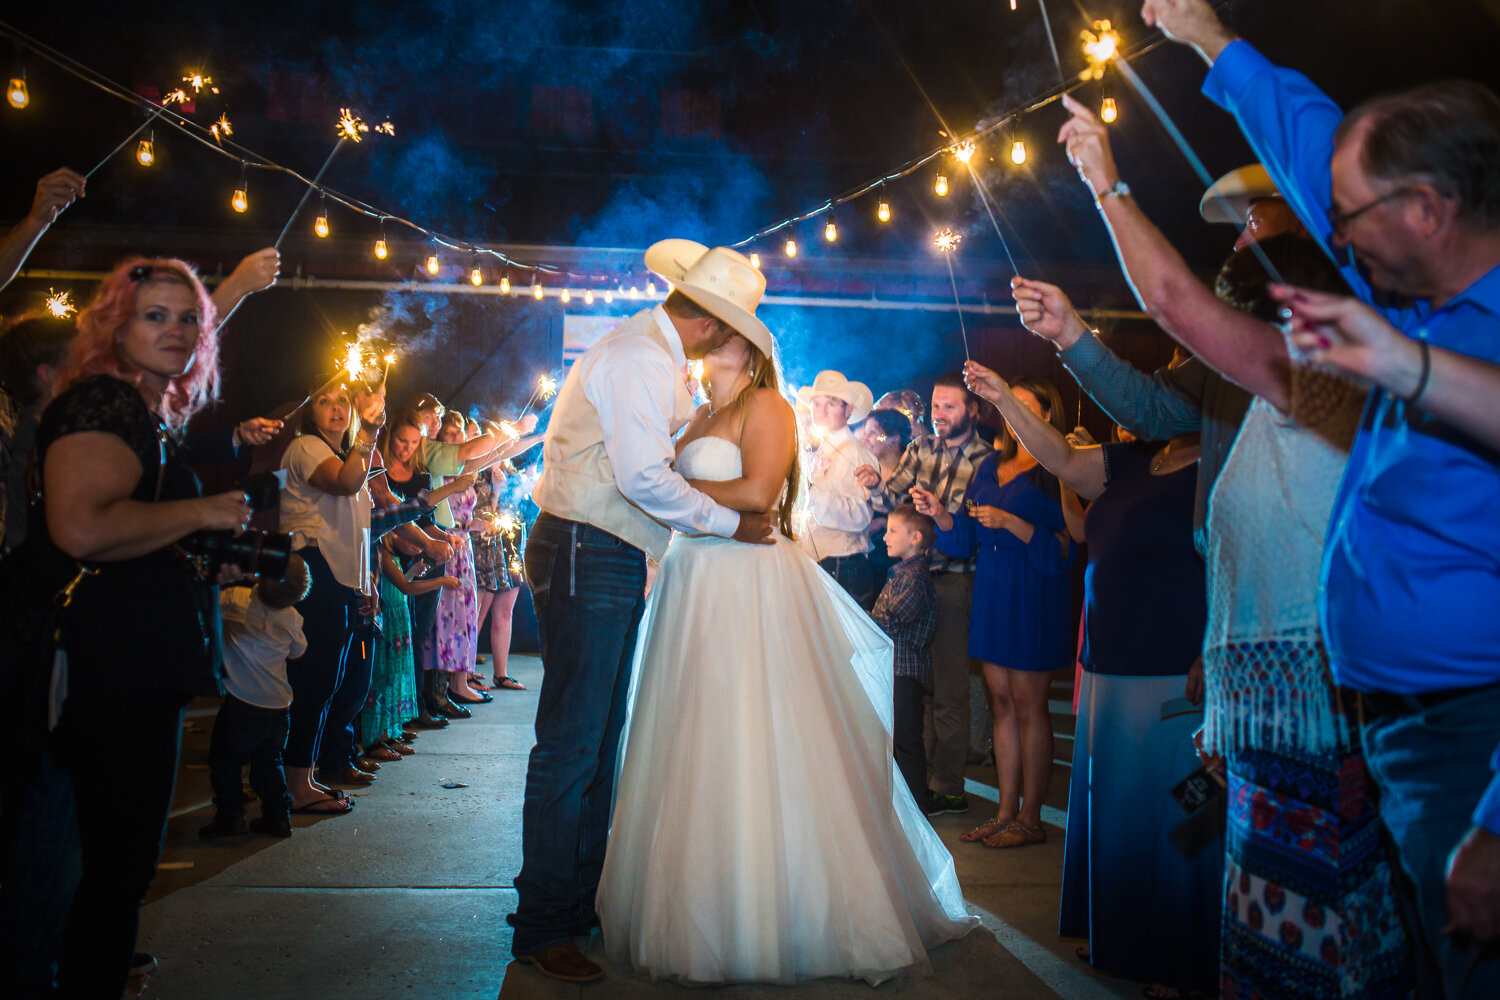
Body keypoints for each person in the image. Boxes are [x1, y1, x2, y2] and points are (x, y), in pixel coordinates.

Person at [1142, 1, 1500, 992]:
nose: (1330, 237)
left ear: (1428, 208)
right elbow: (1308, 142)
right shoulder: (1407, 296)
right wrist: (1209, 39)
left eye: (1345, 221)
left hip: (1473, 741)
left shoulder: (1464, 327)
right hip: (1391, 725)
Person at [595, 265, 976, 986]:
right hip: (691, 577)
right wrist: (668, 488)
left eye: (719, 327)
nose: (706, 339)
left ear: (742, 340)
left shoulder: (767, 407)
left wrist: (660, 485)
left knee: (754, 729)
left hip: (743, 581)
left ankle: (777, 907)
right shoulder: (697, 415)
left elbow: (760, 493)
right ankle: (701, 898)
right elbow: (704, 495)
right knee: (694, 729)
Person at [510, 241, 774, 983]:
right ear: (717, 326)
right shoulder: (638, 358)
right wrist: (732, 524)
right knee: (572, 741)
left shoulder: (647, 354)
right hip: (586, 546)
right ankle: (542, 922)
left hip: (603, 549)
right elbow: (640, 479)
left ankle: (573, 903)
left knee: (596, 737)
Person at [0, 258, 253, 997]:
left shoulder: (140, 405)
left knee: (101, 865)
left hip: (129, 665)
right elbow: (79, 527)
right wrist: (204, 512)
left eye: (188, 319)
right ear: (116, 325)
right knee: (100, 865)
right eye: (155, 316)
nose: (175, 330)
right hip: (100, 669)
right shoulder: (101, 403)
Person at [961, 360, 1219, 998]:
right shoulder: (1134, 463)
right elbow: (1059, 460)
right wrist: (1003, 398)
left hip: (1174, 664)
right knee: (1120, 812)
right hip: (1108, 660)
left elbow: (1235, 556)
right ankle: (1125, 932)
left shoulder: (1218, 464)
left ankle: (1185, 952)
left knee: (1184, 810)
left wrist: (1216, 648)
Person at [913, 375, 1077, 848]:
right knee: (1001, 705)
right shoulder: (990, 467)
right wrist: (941, 514)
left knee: (1029, 707)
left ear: (1047, 416)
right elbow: (965, 540)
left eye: (1025, 407)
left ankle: (1031, 817)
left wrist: (1014, 524)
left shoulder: (1057, 468)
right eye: (1009, 407)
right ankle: (1005, 812)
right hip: (991, 592)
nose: (1014, 415)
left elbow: (1068, 549)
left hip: (1033, 594)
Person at [854, 374, 995, 815]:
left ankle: (947, 785)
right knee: (910, 684)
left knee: (950, 688)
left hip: (953, 579)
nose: (939, 415)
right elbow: (893, 499)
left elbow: (969, 530)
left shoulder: (986, 461)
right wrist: (876, 484)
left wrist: (938, 513)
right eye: (936, 406)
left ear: (973, 410)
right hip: (913, 573)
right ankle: (916, 782)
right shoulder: (920, 449)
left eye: (949, 407)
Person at [278, 380, 384, 807]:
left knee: (327, 681)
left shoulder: (344, 453)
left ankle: (304, 776)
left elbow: (354, 529)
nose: (337, 408)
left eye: (343, 400)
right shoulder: (305, 447)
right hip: (311, 571)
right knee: (312, 680)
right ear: (310, 412)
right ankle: (296, 784)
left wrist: (366, 578)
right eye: (325, 401)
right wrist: (370, 434)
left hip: (339, 578)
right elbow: (343, 484)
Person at [199, 556, 313, 840]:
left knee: (224, 761)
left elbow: (208, 610)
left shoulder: (236, 599)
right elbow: (298, 652)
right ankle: (278, 818)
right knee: (269, 764)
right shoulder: (292, 619)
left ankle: (230, 815)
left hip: (241, 703)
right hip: (277, 706)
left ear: (259, 576)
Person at [871, 504, 941, 813]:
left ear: (914, 537)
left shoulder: (914, 579)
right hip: (895, 671)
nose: (885, 537)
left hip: (905, 673)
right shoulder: (900, 575)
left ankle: (915, 807)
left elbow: (889, 621)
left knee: (907, 741)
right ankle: (905, 804)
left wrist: (857, 616)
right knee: (899, 739)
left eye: (892, 531)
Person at [795, 369, 880, 607]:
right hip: (811, 561)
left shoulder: (856, 452)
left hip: (842, 564)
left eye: (830, 404)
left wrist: (810, 491)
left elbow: (860, 516)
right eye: (816, 404)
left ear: (848, 409)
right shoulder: (811, 452)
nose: (820, 412)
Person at [422, 411, 485, 708]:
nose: (456, 437)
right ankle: (446, 687)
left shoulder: (463, 468)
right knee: (448, 618)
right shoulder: (439, 467)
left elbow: (486, 455)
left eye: (460, 432)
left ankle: (459, 681)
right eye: (450, 432)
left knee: (467, 614)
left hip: (464, 545)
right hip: (446, 543)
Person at [472, 461, 526, 690]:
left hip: (512, 540)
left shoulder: (511, 470)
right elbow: (481, 513)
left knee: (505, 610)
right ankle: (466, 674)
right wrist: (497, 490)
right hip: (486, 545)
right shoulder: (476, 471)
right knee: (478, 612)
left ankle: (501, 674)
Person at [856, 407, 915, 585]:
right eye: (865, 433)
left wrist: (884, 522)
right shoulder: (869, 472)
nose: (865, 439)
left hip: (899, 566)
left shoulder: (912, 474)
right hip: (869, 563)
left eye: (873, 433)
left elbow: (912, 515)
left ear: (895, 438)